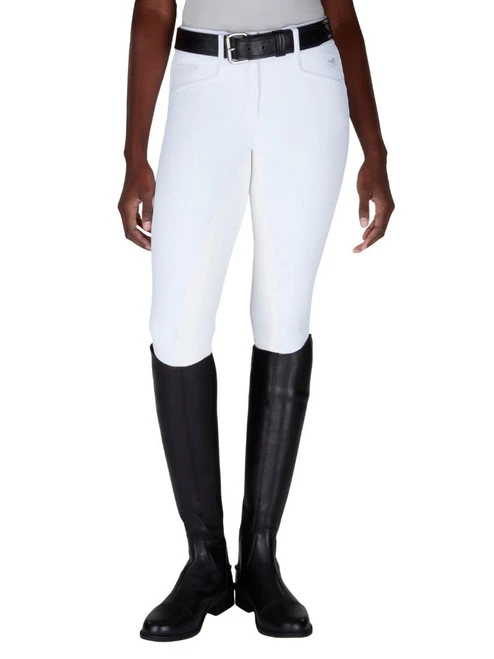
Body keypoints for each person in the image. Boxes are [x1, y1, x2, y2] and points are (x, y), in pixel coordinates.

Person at [118, 0, 395, 642]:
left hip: (308, 85)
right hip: (202, 83)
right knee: (176, 328)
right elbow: (154, 10)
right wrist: (134, 154)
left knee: (283, 316)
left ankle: (262, 556)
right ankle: (205, 562)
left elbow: (343, 18)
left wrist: (376, 151)